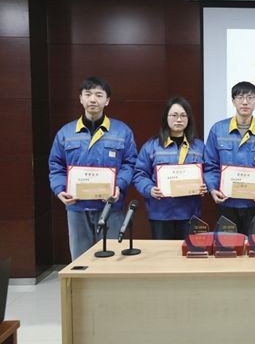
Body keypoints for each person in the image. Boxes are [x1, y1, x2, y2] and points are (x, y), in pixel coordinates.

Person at [48, 76, 138, 260]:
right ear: (81, 98)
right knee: (81, 261)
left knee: (113, 260)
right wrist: (59, 190)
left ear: (107, 100)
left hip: (110, 206)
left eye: (98, 95)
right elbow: (56, 165)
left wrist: (119, 186)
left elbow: (130, 163)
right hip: (77, 207)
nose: (93, 99)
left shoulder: (122, 131)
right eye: (88, 94)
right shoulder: (66, 133)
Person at [204, 81, 255, 235]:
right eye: (240, 97)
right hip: (226, 203)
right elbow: (210, 165)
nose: (245, 102)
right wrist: (212, 189)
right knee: (228, 247)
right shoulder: (218, 129)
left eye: (250, 98)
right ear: (233, 101)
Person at [133, 97, 207, 240]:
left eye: (183, 115)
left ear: (189, 118)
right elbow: (139, 174)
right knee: (163, 253)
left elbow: (209, 172)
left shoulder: (199, 147)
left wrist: (205, 185)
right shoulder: (151, 146)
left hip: (190, 213)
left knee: (189, 252)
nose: (179, 119)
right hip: (161, 213)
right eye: (174, 115)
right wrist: (149, 189)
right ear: (166, 118)